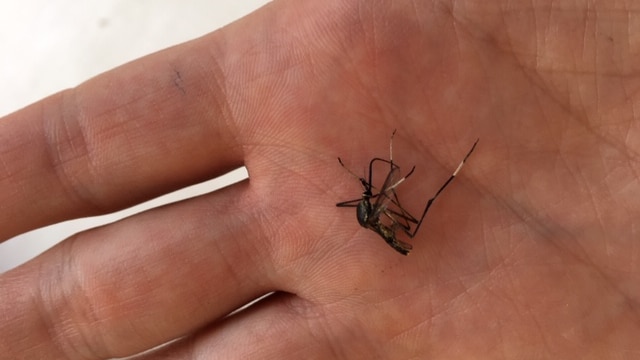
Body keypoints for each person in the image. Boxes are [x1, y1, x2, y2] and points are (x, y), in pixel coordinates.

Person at [1, 1, 639, 358]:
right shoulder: (374, 207)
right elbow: (378, 204)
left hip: (390, 220)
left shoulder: (378, 204)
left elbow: (382, 203)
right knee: (384, 196)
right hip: (386, 221)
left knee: (387, 194)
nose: (376, 191)